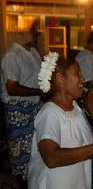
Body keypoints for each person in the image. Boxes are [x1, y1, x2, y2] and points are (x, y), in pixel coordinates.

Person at [27, 52, 93, 189]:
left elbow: (80, 137)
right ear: (61, 79)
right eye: (77, 73)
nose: (83, 78)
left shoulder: (75, 108)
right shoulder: (50, 113)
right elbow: (51, 157)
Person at [1, 29, 45, 188]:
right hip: (18, 108)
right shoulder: (12, 55)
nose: (37, 37)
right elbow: (11, 88)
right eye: (34, 34)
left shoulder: (33, 52)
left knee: (35, 148)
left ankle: (34, 181)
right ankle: (23, 185)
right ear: (22, 36)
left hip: (35, 105)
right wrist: (38, 92)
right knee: (20, 153)